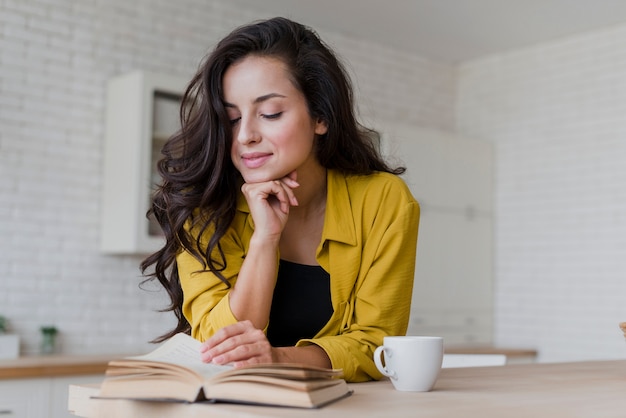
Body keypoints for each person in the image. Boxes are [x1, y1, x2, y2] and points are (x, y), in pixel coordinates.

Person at [141, 17, 420, 383]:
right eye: (232, 119)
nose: (245, 137)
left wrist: (276, 358)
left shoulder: (383, 200)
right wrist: (265, 240)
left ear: (320, 116)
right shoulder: (200, 207)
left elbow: (376, 346)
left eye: (270, 113)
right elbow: (218, 347)